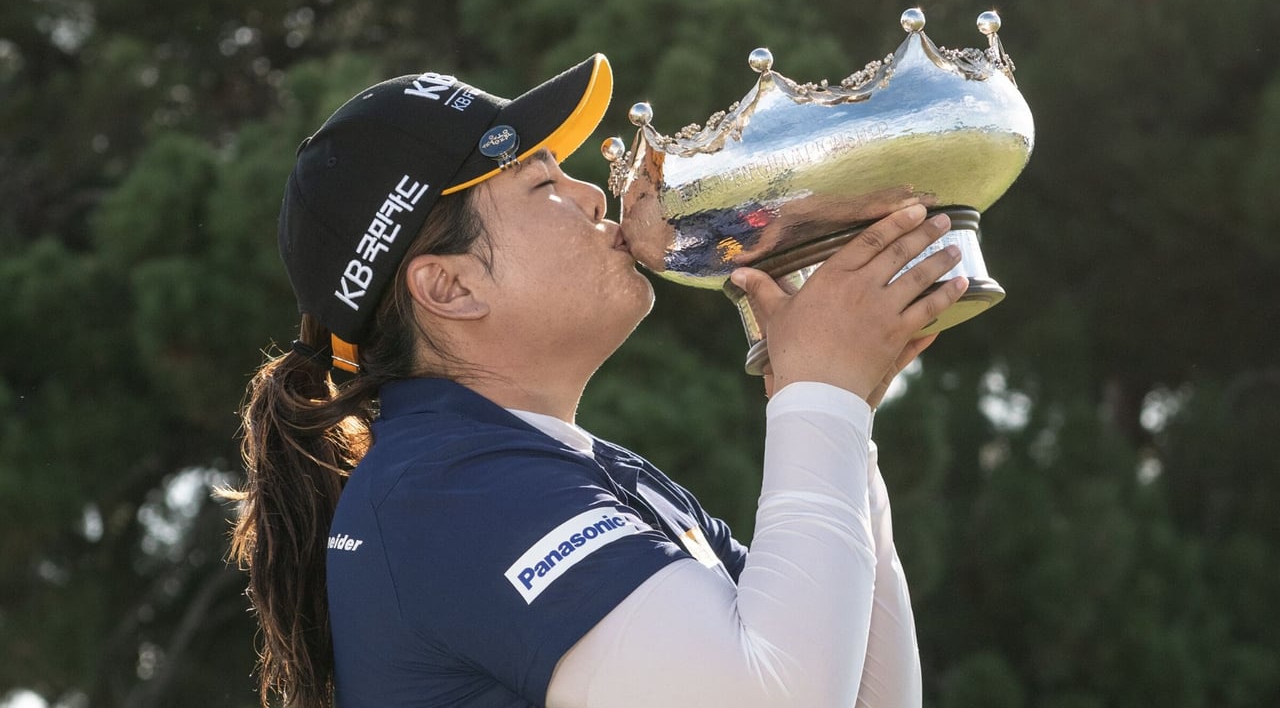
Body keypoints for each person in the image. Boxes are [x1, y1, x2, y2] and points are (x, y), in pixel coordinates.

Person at [225, 53, 968, 708]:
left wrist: (844, 419)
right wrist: (820, 394)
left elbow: (858, 696)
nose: (590, 196)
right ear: (448, 289)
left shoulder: (562, 472)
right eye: (540, 181)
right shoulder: (447, 490)